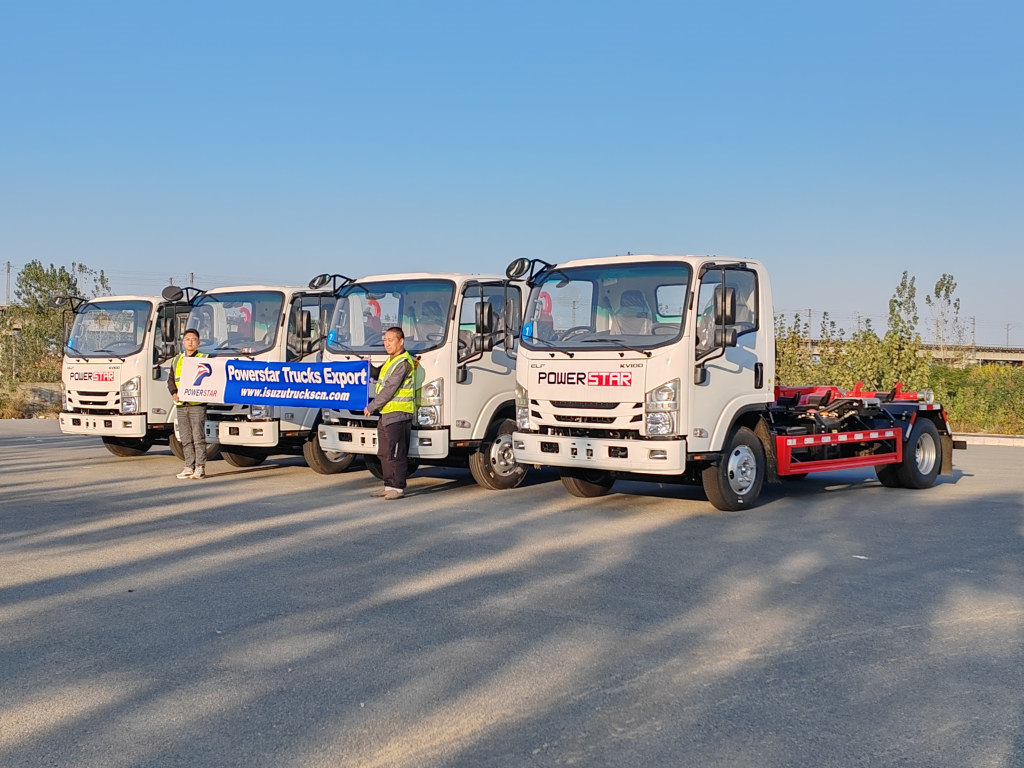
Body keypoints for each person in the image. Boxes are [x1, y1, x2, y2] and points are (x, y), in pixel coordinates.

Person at [363, 326, 416, 500]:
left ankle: (398, 487)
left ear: (401, 341)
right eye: (385, 340)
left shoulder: (403, 363)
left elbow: (389, 389)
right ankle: (388, 485)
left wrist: (371, 407)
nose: (387, 343)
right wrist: (368, 366)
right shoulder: (391, 360)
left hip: (399, 414)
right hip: (386, 414)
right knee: (384, 452)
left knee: (397, 452)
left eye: (390, 340)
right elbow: (379, 375)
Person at [168, 328, 209, 479]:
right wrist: (174, 393)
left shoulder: (205, 358)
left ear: (198, 342)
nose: (190, 342)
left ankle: (200, 467)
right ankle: (188, 466)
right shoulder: (177, 359)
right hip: (181, 405)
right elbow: (171, 381)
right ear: (183, 342)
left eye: (193, 339)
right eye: (187, 339)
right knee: (185, 438)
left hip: (197, 404)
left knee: (198, 437)